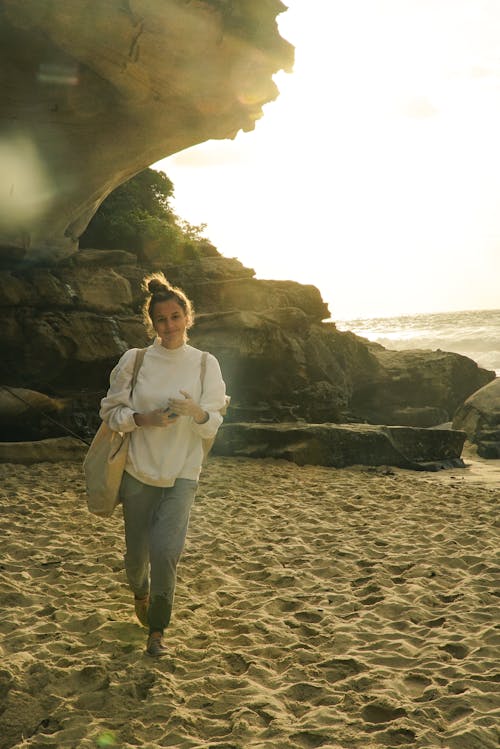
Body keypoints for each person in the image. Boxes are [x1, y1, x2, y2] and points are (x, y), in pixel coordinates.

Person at [99, 272, 227, 657]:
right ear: (151, 323)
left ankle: (157, 630)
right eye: (161, 319)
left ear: (188, 317)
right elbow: (110, 412)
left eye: (175, 317)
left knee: (167, 551)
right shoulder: (135, 360)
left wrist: (196, 413)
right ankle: (139, 590)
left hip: (183, 473)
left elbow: (214, 425)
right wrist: (145, 419)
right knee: (137, 555)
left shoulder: (206, 364)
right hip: (139, 471)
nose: (169, 326)